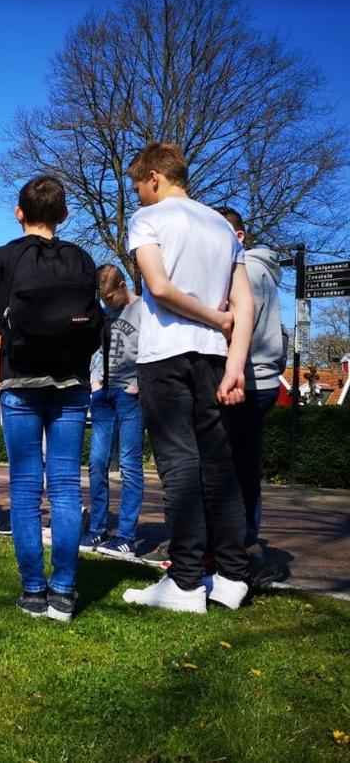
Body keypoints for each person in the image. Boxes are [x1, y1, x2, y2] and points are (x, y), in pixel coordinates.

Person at [121, 142, 254, 614]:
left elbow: (157, 287)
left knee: (179, 465)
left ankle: (185, 583)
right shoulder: (221, 224)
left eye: (137, 185)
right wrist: (235, 364)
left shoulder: (149, 219)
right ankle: (233, 576)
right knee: (219, 465)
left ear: (154, 176)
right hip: (216, 360)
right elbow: (245, 304)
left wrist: (214, 321)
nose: (135, 195)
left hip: (166, 355)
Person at [0, 175, 102, 621]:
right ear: (64, 215)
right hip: (71, 383)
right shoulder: (83, 259)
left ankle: (33, 591)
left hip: (20, 380)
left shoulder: (2, 257)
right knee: (68, 487)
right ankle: (65, 592)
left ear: (19, 212)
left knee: (26, 487)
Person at [217, 206, 286, 585]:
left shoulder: (250, 271)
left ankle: (233, 547)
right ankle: (247, 545)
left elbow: (239, 321)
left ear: (239, 237)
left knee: (222, 464)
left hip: (247, 378)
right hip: (263, 378)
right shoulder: (263, 273)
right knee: (245, 465)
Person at [83, 264, 145, 559]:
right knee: (96, 462)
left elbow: (154, 348)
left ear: (122, 285)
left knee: (130, 465)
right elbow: (95, 348)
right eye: (102, 299)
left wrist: (139, 384)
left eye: (110, 297)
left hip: (129, 394)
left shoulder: (144, 310)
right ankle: (97, 528)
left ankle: (126, 536)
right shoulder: (102, 314)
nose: (107, 303)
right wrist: (94, 380)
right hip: (102, 393)